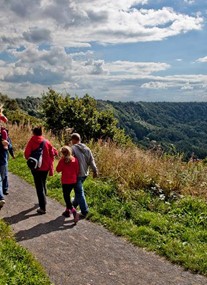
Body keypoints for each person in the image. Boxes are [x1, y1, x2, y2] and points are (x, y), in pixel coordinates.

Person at [24, 126, 56, 214]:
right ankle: (44, 200)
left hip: (36, 167)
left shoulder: (32, 141)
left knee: (39, 187)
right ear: (41, 132)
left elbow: (26, 154)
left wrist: (31, 160)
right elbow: (53, 153)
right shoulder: (46, 142)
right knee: (43, 182)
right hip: (45, 167)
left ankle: (42, 208)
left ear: (34, 133)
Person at [71, 133, 98, 218]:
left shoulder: (73, 149)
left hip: (77, 174)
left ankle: (84, 211)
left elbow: (70, 161)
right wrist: (95, 171)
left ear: (73, 140)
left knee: (79, 191)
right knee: (78, 189)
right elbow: (91, 161)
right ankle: (75, 203)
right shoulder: (87, 148)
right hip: (85, 173)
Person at [56, 146, 79, 223]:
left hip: (66, 181)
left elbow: (58, 169)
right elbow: (77, 170)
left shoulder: (63, 160)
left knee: (66, 197)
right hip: (73, 181)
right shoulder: (75, 160)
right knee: (68, 195)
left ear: (62, 153)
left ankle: (73, 211)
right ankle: (67, 211)